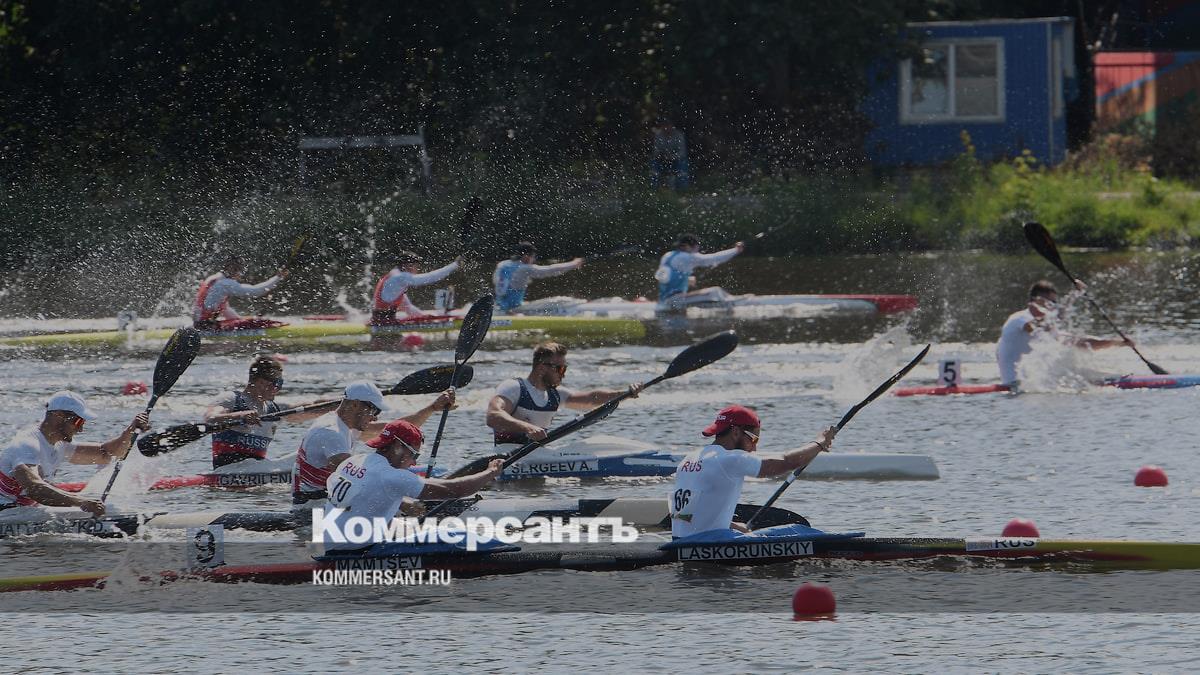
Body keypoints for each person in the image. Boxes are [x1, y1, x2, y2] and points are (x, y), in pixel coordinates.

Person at [321, 420, 505, 553]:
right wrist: (490, 472)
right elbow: (455, 490)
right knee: (451, 534)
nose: (413, 463)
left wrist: (403, 504)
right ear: (397, 447)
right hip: (356, 548)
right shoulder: (391, 476)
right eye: (414, 455)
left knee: (418, 528)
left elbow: (364, 498)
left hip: (331, 542)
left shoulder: (355, 460)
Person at [668, 405, 837, 538]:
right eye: (754, 439)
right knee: (798, 531)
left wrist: (732, 525)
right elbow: (787, 462)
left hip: (681, 541)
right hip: (710, 542)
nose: (754, 448)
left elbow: (693, 514)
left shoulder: (689, 460)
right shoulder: (730, 459)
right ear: (736, 432)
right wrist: (820, 442)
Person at [291, 381, 454, 505]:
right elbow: (354, 480)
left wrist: (432, 408)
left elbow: (398, 429)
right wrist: (403, 503)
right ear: (355, 404)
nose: (375, 417)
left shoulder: (346, 424)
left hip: (328, 499)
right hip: (311, 507)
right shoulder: (331, 432)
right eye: (374, 410)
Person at [0, 392, 150, 517]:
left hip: (21, 512)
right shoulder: (27, 445)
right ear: (58, 415)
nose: (81, 429)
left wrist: (130, 431)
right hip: (5, 512)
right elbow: (36, 489)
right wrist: (81, 502)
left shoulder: (60, 445)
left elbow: (106, 454)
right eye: (78, 422)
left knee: (110, 509)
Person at [486, 342, 642, 445]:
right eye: (560, 369)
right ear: (542, 368)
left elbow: (591, 399)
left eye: (564, 369)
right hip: (506, 456)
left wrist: (626, 393)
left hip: (538, 456)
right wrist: (527, 428)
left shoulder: (556, 395)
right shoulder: (513, 388)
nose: (563, 374)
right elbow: (493, 416)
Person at [203, 356, 334, 469]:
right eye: (278, 383)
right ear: (261, 382)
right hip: (227, 471)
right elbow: (210, 418)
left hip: (257, 470)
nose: (279, 388)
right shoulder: (231, 399)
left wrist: (342, 403)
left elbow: (312, 407)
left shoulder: (274, 409)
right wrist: (241, 415)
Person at [996, 280, 1131, 387]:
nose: (1052, 306)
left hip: (1037, 383)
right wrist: (1072, 297)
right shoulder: (1019, 319)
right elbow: (1034, 327)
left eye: (1054, 302)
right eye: (1049, 302)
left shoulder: (1050, 326)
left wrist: (1118, 342)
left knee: (1085, 373)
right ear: (1035, 301)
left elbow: (1081, 343)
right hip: (1015, 384)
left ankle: (1118, 379)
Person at [193, 255, 288, 330]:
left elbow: (224, 309)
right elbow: (256, 291)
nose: (240, 274)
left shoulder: (215, 279)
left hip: (201, 324)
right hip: (205, 326)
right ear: (233, 269)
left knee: (248, 320)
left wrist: (239, 320)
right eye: (240, 270)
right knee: (256, 322)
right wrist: (278, 277)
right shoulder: (225, 284)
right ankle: (283, 326)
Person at [655, 233, 744, 309]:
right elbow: (713, 258)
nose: (696, 252)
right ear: (687, 246)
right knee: (715, 292)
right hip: (674, 301)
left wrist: (687, 279)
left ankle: (731, 299)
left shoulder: (667, 255)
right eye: (696, 248)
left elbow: (667, 277)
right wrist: (735, 250)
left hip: (664, 300)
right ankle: (736, 303)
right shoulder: (686, 257)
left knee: (715, 292)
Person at [371, 251, 462, 324]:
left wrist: (424, 316)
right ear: (407, 266)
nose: (417, 269)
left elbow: (408, 308)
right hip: (383, 324)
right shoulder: (399, 277)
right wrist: (455, 265)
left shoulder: (395, 280)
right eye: (416, 266)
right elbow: (430, 277)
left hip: (384, 321)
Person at [492, 242, 584, 313]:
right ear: (526, 256)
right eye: (533, 257)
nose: (534, 259)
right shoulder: (524, 268)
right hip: (513, 310)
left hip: (499, 306)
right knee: (560, 301)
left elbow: (499, 282)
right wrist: (574, 264)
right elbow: (550, 270)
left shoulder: (502, 265)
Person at [650, 118, 689, 190]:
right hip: (662, 159)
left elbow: (682, 152)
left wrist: (672, 156)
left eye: (668, 125)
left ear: (672, 126)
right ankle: (654, 187)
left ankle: (682, 188)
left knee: (682, 164)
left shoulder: (679, 135)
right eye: (664, 126)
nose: (666, 128)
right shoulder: (658, 136)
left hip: (676, 160)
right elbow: (655, 151)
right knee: (654, 164)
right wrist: (662, 156)